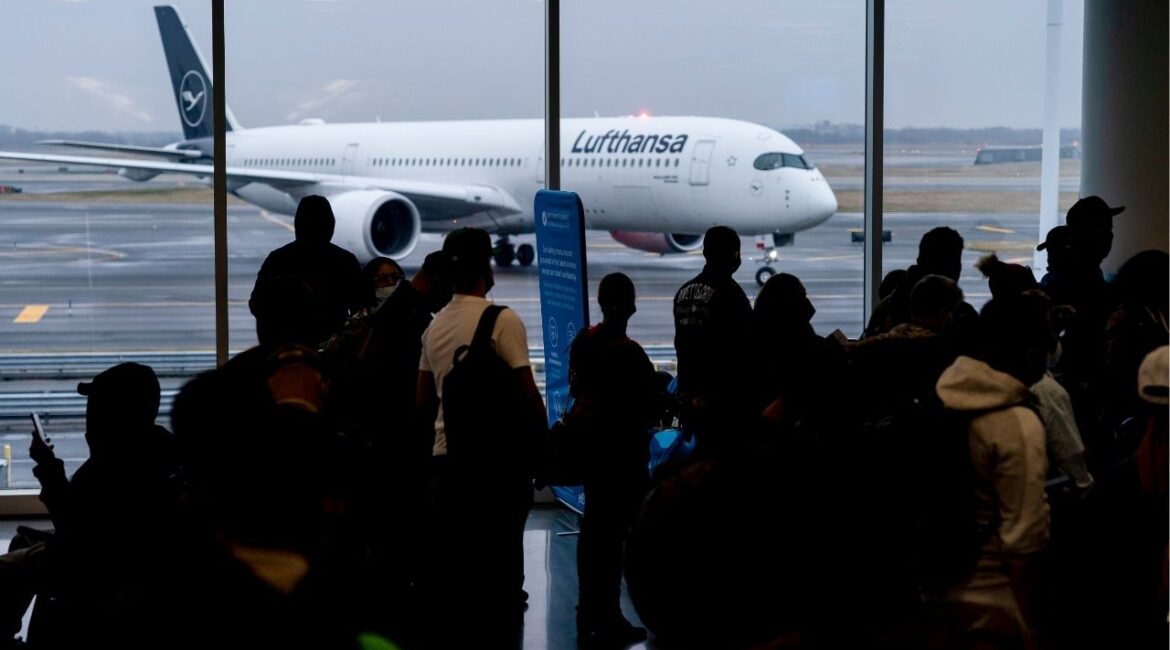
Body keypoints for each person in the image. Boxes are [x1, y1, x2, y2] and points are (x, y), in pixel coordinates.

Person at [416, 227, 544, 647]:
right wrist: (542, 450)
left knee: (461, 571)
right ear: (485, 267)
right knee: (503, 568)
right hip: (496, 466)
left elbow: (422, 403)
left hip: (447, 463)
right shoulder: (501, 319)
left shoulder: (433, 330)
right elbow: (528, 395)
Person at [0, 363, 180, 648]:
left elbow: (76, 528)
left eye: (97, 405)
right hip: (129, 572)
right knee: (23, 544)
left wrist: (48, 467)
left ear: (114, 412)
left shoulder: (111, 463)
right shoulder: (164, 449)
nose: (89, 413)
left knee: (8, 568)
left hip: (98, 574)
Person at [934, 293, 1055, 649]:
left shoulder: (945, 396)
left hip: (939, 592)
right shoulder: (1016, 423)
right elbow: (1025, 540)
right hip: (996, 603)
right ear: (1032, 351)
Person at [568, 273, 658, 647]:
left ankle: (587, 613)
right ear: (632, 307)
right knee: (614, 541)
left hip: (592, 454)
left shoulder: (583, 342)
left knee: (593, 536)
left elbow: (575, 387)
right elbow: (649, 408)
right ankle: (609, 617)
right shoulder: (632, 354)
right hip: (623, 459)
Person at [672, 225, 754, 458]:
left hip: (689, 401)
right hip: (721, 406)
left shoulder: (683, 292)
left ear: (705, 253)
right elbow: (744, 350)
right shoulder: (732, 295)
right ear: (734, 254)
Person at [250, 195, 363, 344]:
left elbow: (257, 305)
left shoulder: (278, 259)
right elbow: (361, 310)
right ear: (331, 225)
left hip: (288, 348)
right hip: (333, 349)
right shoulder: (345, 261)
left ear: (298, 224)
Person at [864, 226, 967, 338]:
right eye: (957, 263)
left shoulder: (887, 306)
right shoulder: (960, 315)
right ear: (953, 268)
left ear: (919, 260)